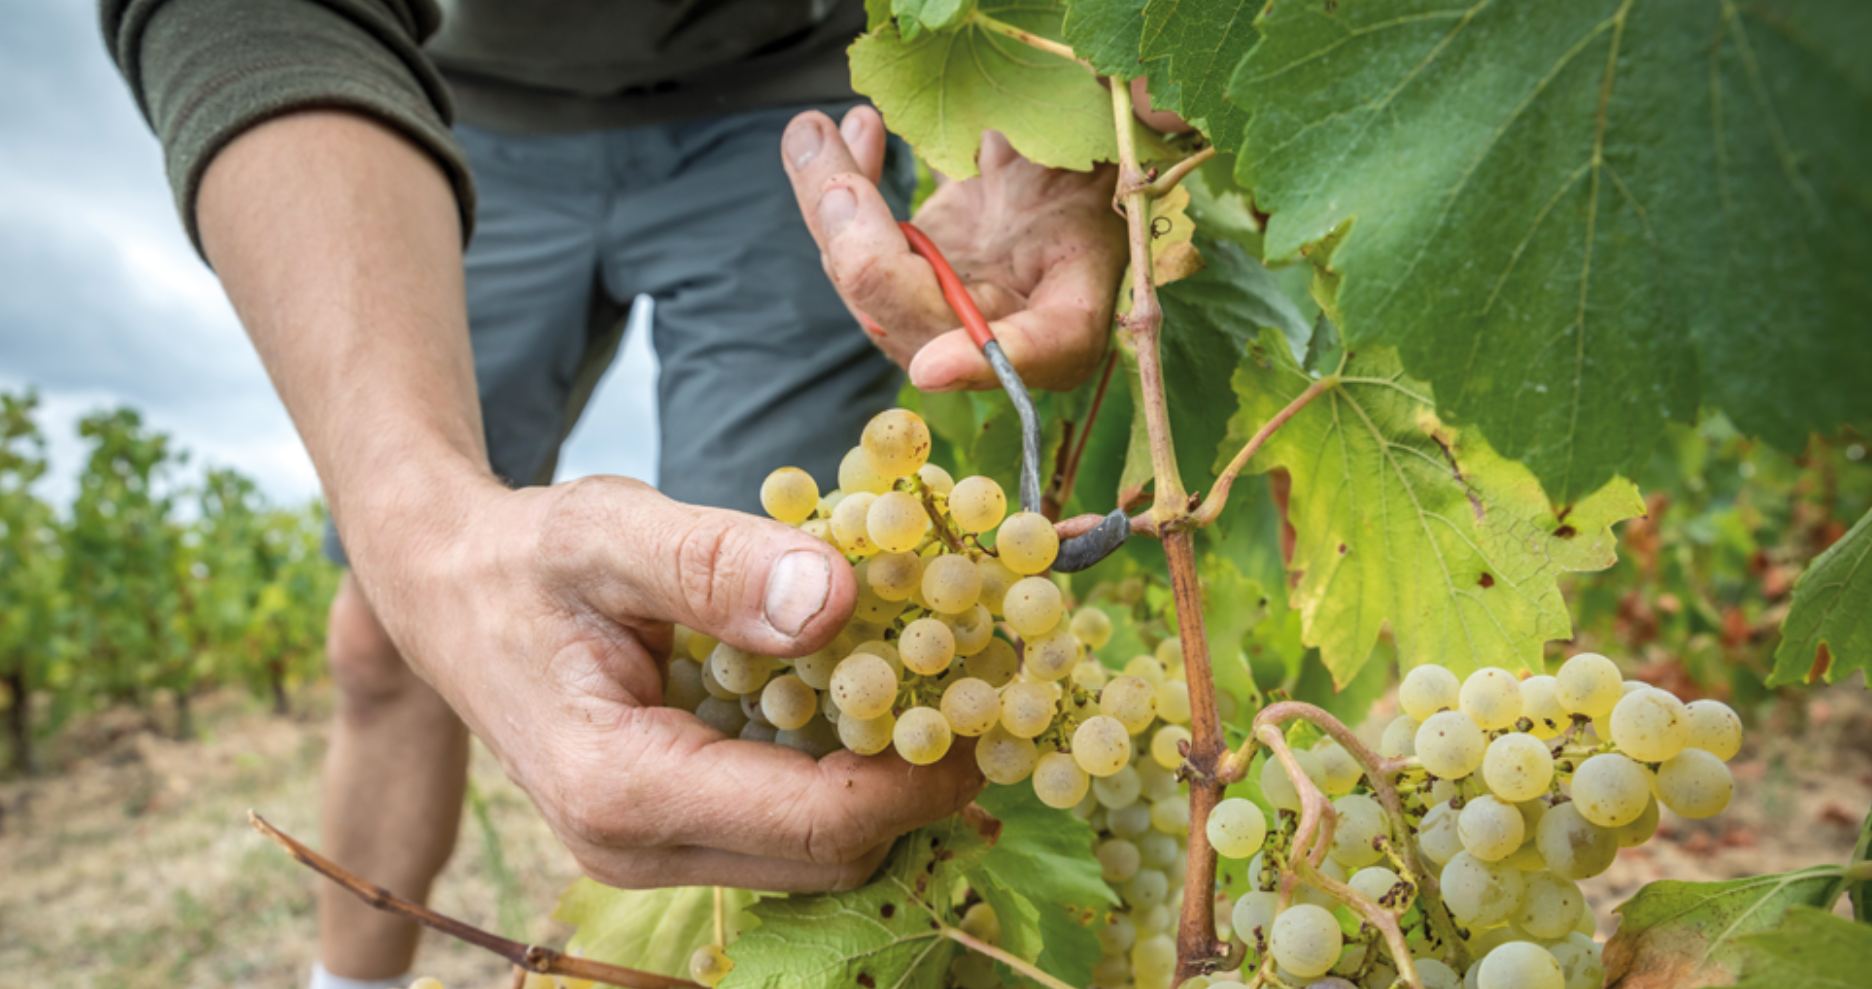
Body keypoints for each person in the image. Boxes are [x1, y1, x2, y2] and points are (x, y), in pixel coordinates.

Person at [100, 1, 1127, 986]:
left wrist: (1062, 116)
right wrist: (413, 531)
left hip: (783, 113)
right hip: (453, 108)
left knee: (773, 670)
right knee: (387, 635)